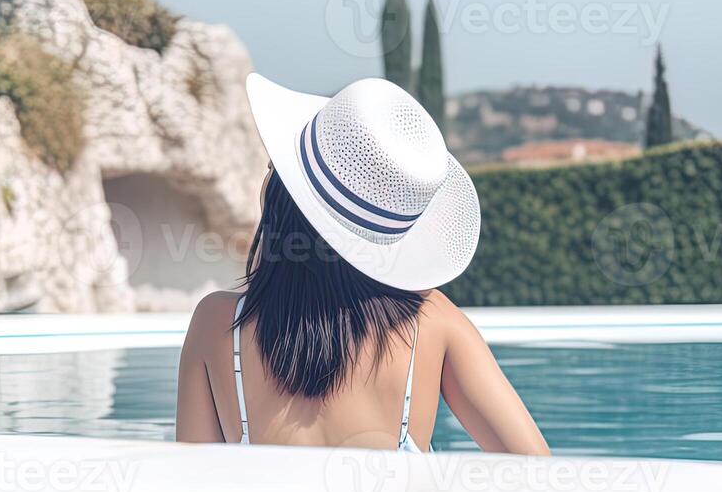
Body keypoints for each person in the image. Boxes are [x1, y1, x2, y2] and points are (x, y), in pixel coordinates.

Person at [176, 74, 549, 455]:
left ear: (282, 201)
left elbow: (189, 489)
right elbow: (536, 469)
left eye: (274, 167)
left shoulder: (216, 324)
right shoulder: (432, 325)